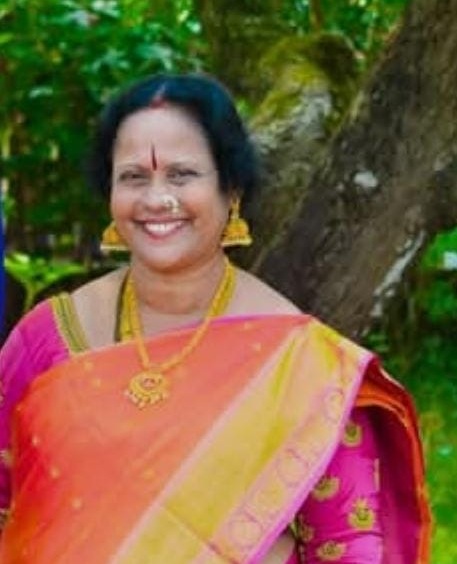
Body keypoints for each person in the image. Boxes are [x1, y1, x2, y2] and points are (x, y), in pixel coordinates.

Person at [0, 73, 431, 563]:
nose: (157, 199)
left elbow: (348, 547)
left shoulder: (300, 365)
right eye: (133, 177)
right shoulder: (45, 338)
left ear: (232, 189)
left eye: (182, 175)